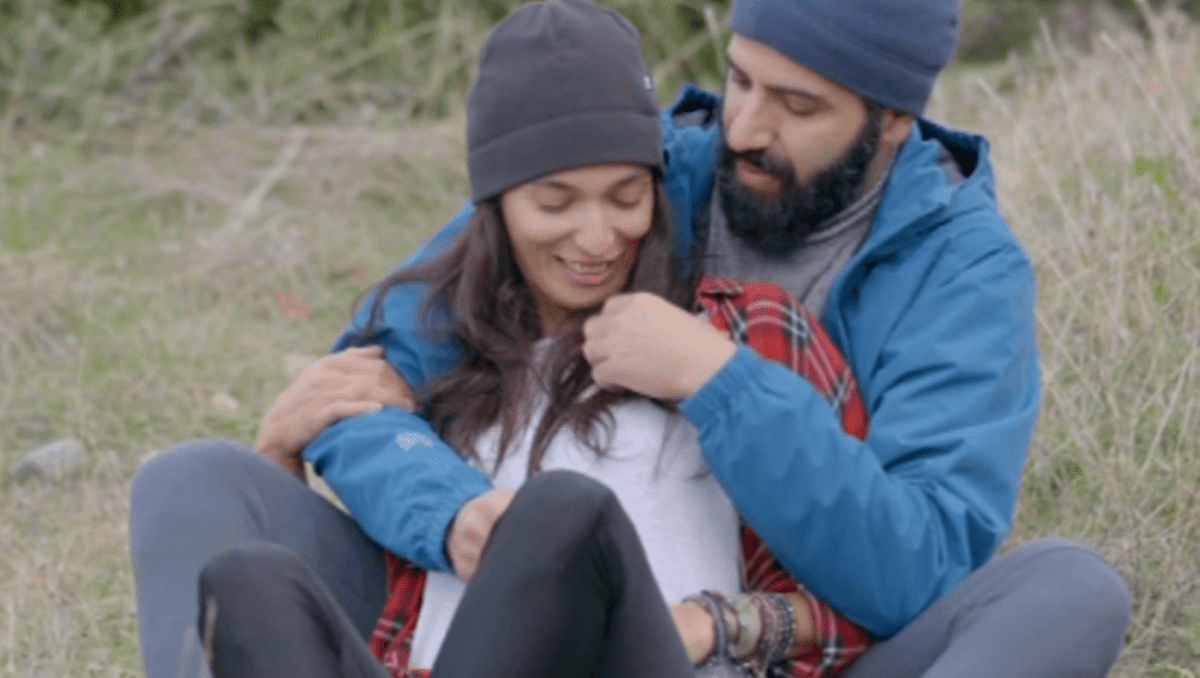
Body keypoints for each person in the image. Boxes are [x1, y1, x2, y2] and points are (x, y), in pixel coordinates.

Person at [258, 0, 1133, 676]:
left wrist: (721, 382)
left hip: (802, 645)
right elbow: (365, 385)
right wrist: (455, 514)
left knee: (1069, 587)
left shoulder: (962, 272)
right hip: (532, 604)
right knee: (221, 490)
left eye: (797, 105)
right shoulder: (637, 173)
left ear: (894, 119)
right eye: (741, 79)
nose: (744, 129)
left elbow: (919, 571)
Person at [130, 2, 871, 677]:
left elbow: (861, 590)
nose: (598, 238)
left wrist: (716, 623)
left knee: (560, 515)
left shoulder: (745, 333)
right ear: (494, 206)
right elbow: (372, 560)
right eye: (555, 203)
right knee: (242, 569)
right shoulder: (438, 351)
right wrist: (279, 467)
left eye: (626, 197)